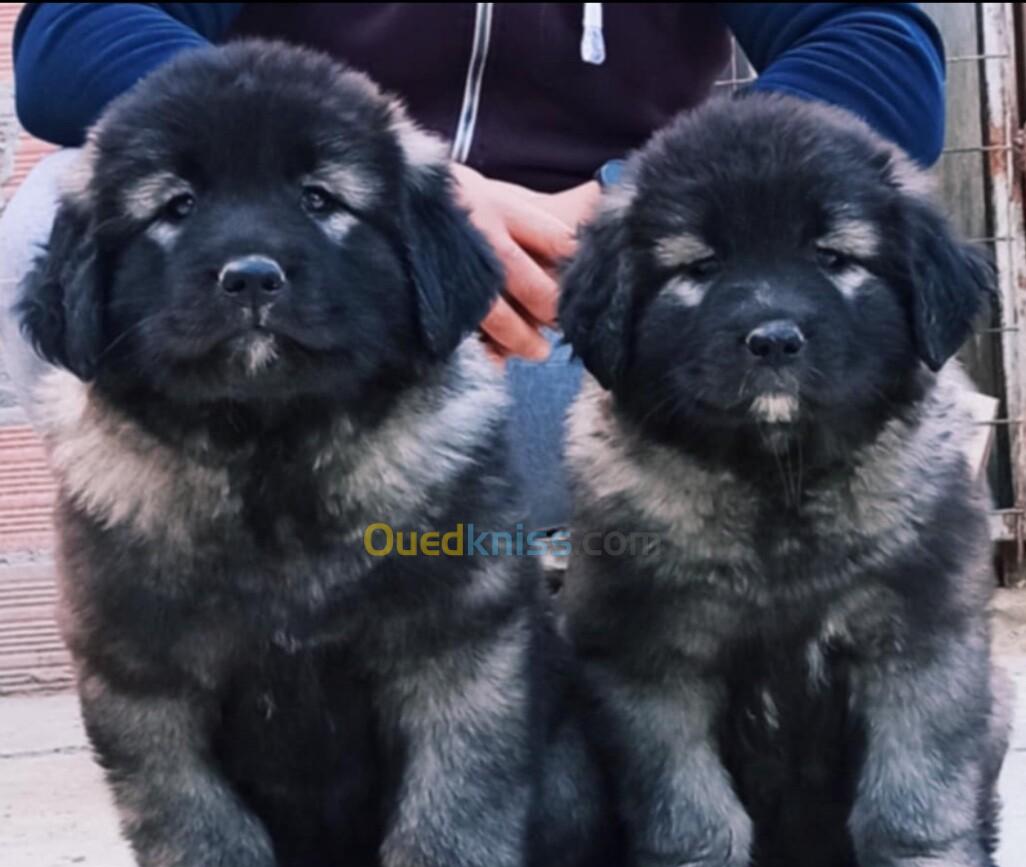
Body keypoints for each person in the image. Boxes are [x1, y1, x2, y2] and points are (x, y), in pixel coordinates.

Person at [3, 3, 945, 527]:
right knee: (51, 220)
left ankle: (623, 603)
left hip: (561, 309)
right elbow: (76, 31)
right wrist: (405, 186)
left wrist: (638, 205)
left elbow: (879, 46)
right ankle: (220, 591)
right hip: (336, 278)